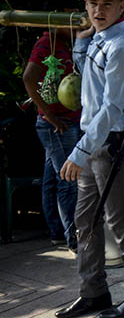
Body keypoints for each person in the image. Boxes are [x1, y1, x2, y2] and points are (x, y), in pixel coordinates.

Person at [55, 0, 124, 318]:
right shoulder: (99, 40)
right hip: (96, 142)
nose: (98, 11)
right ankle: (93, 291)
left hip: (112, 143)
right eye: (92, 4)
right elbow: (87, 80)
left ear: (121, 8)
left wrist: (80, 151)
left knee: (120, 221)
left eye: (107, 4)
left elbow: (113, 108)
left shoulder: (122, 47)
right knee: (85, 219)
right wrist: (83, 39)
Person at [22, 24, 81, 251]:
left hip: (66, 121)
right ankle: (73, 239)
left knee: (53, 179)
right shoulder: (46, 43)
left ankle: (57, 231)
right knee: (68, 179)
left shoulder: (66, 45)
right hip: (58, 125)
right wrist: (49, 115)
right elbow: (29, 78)